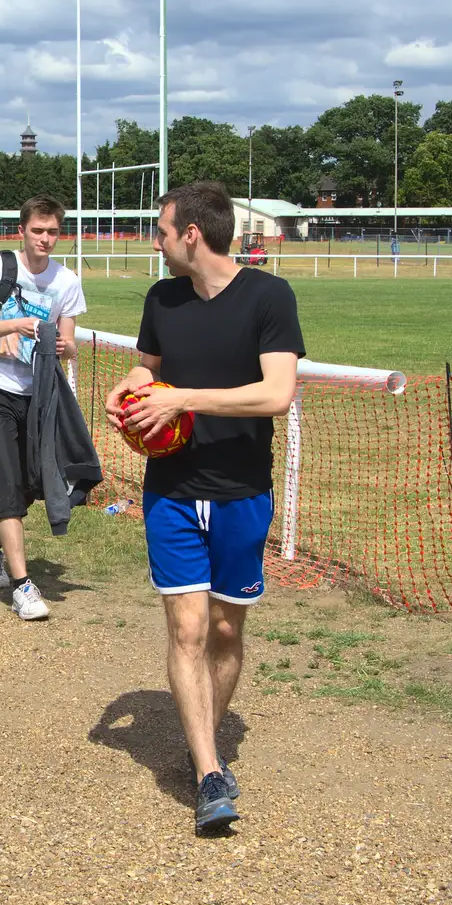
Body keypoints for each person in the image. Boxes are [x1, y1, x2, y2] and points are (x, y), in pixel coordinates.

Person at [104, 181, 304, 834]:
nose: (154, 243)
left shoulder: (269, 297)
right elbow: (148, 369)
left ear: (191, 233)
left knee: (224, 632)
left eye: (160, 231)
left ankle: (205, 744)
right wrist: (129, 391)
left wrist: (182, 398)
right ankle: (210, 771)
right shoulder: (162, 299)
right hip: (172, 491)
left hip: (244, 491)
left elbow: (276, 394)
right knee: (186, 630)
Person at [0, 195, 86, 621]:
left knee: (30, 487)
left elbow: (67, 343)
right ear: (22, 231)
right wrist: (14, 324)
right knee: (6, 484)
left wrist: (67, 346)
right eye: (38, 231)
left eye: (52, 232)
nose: (45, 239)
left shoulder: (66, 281)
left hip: (39, 394)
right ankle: (22, 586)